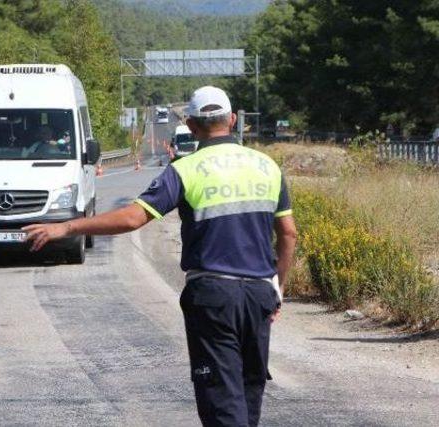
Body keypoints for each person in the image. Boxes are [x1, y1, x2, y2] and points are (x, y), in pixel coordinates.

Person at [23, 86, 297, 427]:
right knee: (248, 393)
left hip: (213, 297)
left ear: (192, 126)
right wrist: (277, 289)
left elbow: (133, 218)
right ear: (233, 120)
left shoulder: (186, 169)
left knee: (221, 400)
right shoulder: (267, 167)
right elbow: (288, 234)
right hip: (258, 294)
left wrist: (67, 228)